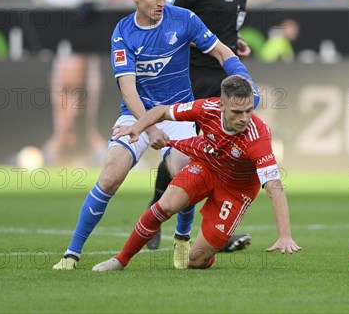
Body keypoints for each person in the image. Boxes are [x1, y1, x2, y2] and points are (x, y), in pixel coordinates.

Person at [53, 0, 258, 270]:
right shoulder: (123, 32)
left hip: (177, 113)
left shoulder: (183, 19)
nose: (161, 1)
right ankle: (72, 254)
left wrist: (244, 77)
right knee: (110, 177)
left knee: (183, 171)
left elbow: (220, 51)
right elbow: (128, 89)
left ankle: (182, 237)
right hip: (136, 114)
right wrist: (146, 129)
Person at [92, 75, 301, 271]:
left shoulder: (258, 137)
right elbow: (163, 110)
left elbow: (274, 185)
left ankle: (208, 248)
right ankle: (120, 260)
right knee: (164, 206)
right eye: (237, 112)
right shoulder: (206, 108)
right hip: (206, 167)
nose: (244, 118)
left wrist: (285, 236)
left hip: (236, 190)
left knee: (195, 260)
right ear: (221, 106)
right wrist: (138, 128)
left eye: (248, 111)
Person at [146, 0, 253, 252]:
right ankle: (155, 212)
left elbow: (230, 26)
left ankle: (213, 234)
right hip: (188, 78)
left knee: (222, 156)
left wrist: (236, 44)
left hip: (222, 82)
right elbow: (167, 18)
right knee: (183, 155)